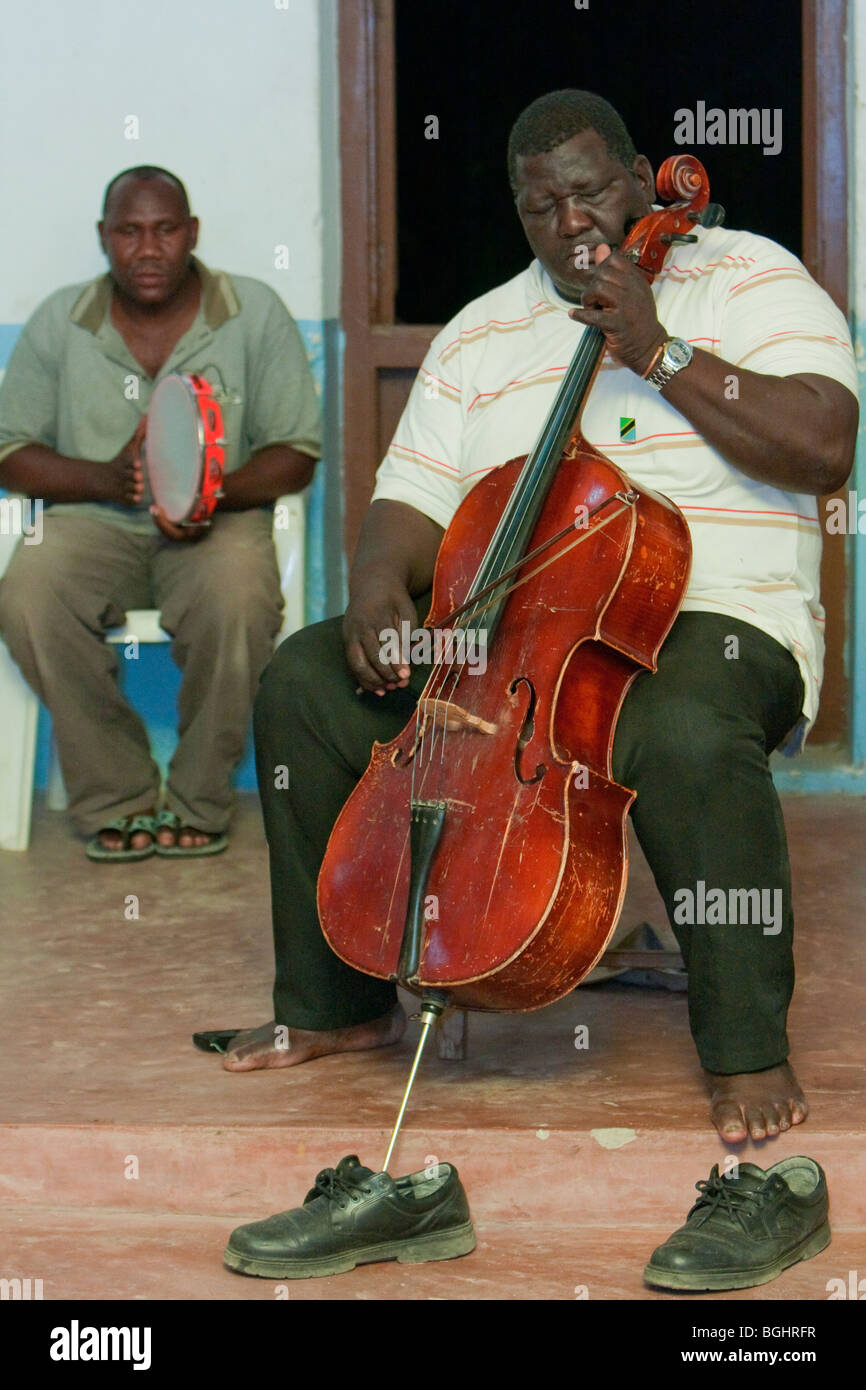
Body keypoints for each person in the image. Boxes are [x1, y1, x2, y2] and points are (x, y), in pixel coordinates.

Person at [218, 92, 857, 1145]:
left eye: (591, 191)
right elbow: (407, 507)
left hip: (713, 615)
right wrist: (378, 591)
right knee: (301, 682)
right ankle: (334, 1006)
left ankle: (746, 1046)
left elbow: (823, 445)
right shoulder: (481, 332)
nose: (570, 222)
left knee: (682, 725)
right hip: (517, 643)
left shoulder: (751, 279)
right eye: (540, 204)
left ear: (645, 178)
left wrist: (657, 348)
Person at [0, 166, 320, 860]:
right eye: (129, 231)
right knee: (28, 592)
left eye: (165, 229)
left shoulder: (253, 310)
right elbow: (10, 452)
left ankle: (199, 799)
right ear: (104, 238)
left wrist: (207, 493)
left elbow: (296, 453)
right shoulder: (61, 320)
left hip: (220, 521)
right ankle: (117, 794)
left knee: (236, 597)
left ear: (192, 233)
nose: (148, 249)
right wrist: (107, 480)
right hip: (94, 521)